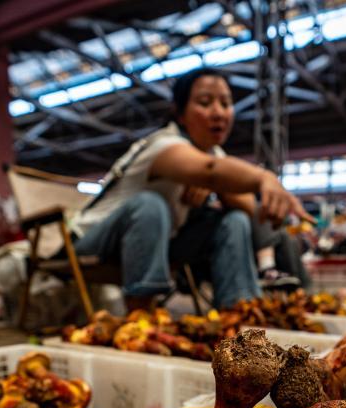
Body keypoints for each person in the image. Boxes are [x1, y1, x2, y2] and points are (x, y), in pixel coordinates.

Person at [71, 68, 311, 310]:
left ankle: (239, 312)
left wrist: (219, 188)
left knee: (234, 219)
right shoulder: (163, 144)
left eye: (226, 103)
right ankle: (141, 311)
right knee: (150, 204)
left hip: (163, 243)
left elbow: (250, 209)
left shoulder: (215, 155)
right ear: (180, 113)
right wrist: (264, 178)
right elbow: (211, 169)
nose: (218, 112)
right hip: (93, 240)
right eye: (205, 102)